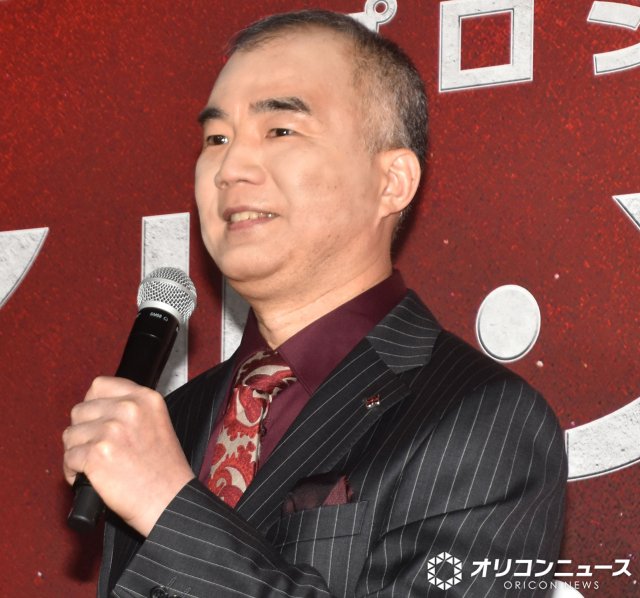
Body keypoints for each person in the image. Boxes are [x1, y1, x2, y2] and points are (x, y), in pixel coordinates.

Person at [63, 9, 567, 598]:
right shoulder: (172, 422)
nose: (230, 169)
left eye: (280, 130)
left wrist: (166, 503)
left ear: (392, 182)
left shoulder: (485, 419)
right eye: (216, 139)